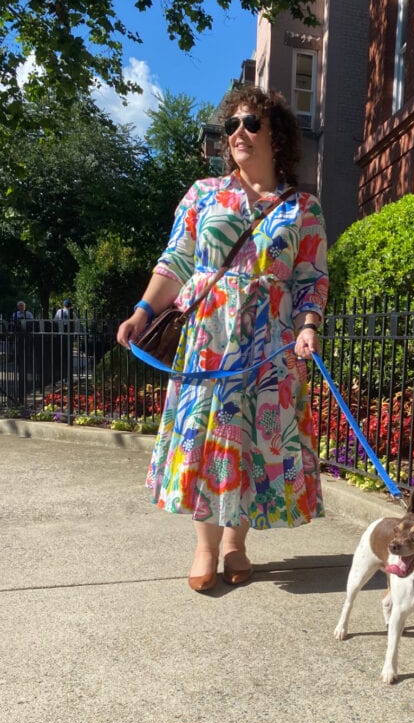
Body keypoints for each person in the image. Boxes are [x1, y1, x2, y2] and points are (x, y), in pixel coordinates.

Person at [117, 85, 328, 593]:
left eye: (251, 123)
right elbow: (176, 261)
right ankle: (205, 547)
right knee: (207, 438)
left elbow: (311, 279)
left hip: (270, 345)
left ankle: (237, 543)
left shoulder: (302, 208)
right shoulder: (204, 194)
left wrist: (307, 328)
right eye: (230, 124)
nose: (238, 132)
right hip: (209, 339)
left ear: (277, 136)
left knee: (256, 441)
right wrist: (144, 311)